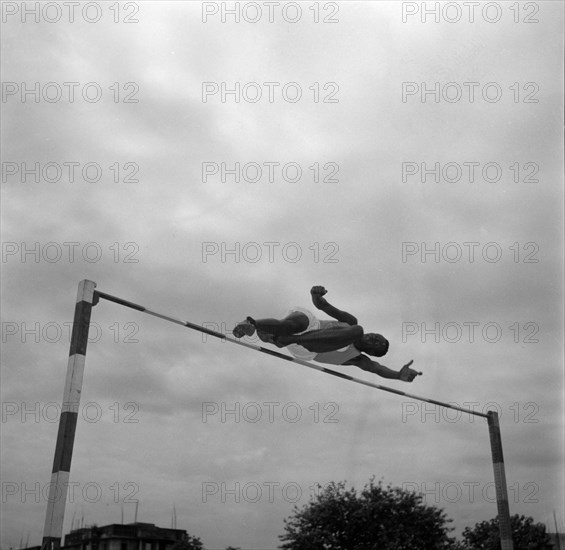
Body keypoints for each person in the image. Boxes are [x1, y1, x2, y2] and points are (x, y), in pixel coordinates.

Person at [233, 285, 421, 382]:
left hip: (308, 349)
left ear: (370, 353)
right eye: (376, 336)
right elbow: (323, 306)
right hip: (308, 327)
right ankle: (252, 324)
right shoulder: (350, 321)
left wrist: (398, 375)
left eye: (375, 344)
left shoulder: (358, 359)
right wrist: (316, 294)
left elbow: (377, 369)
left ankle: (285, 338)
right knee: (299, 321)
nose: (372, 338)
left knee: (356, 331)